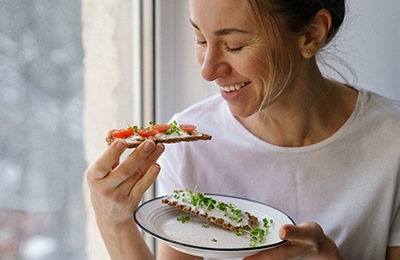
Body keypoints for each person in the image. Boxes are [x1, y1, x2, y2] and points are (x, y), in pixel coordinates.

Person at [86, 0, 400, 259]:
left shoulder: (392, 143)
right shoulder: (191, 149)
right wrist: (113, 222)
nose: (208, 71)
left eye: (234, 45)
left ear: (311, 35)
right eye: (201, 40)